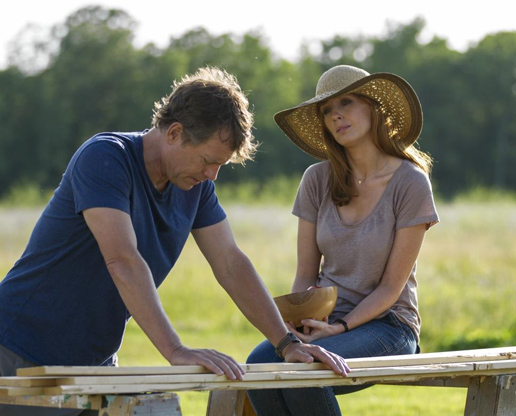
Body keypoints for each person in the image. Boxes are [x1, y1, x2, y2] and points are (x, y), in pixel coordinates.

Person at [0, 66, 349, 416]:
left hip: (94, 363)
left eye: (220, 166)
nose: (212, 175)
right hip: (18, 351)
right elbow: (123, 260)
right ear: (175, 133)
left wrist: (286, 343)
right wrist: (176, 350)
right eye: (208, 161)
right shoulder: (105, 158)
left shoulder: (195, 187)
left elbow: (230, 262)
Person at [246, 65, 440, 415]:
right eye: (327, 110)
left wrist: (338, 328)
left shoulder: (410, 183)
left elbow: (390, 288)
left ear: (373, 108)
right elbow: (306, 273)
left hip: (388, 326)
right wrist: (296, 326)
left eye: (346, 103)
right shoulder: (316, 179)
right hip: (323, 321)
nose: (336, 116)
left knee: (307, 371)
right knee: (258, 365)